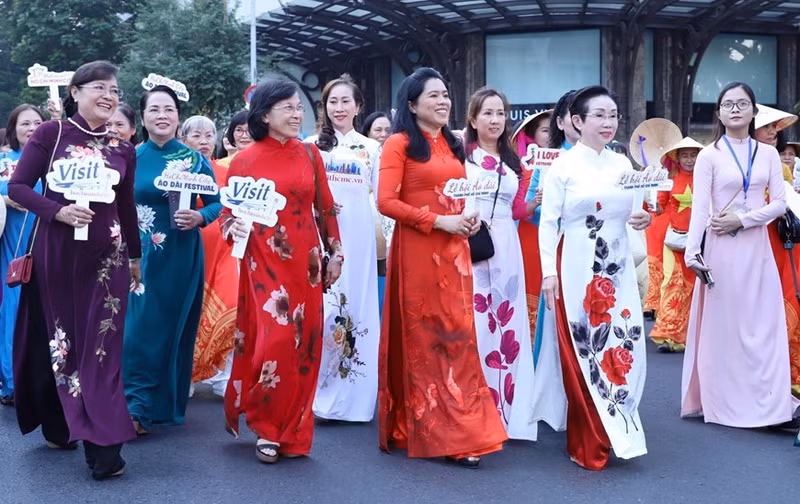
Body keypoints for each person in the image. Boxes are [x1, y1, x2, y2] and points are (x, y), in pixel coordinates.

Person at [9, 60, 140, 480]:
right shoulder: (52, 134)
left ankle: (103, 448)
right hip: (59, 256)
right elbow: (19, 187)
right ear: (75, 92)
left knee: (101, 350)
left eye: (115, 90)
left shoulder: (122, 147)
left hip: (109, 261)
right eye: (99, 87)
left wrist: (135, 256)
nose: (109, 96)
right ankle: (62, 422)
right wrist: (58, 211)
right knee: (63, 343)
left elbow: (125, 207)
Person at [377, 67, 507, 468]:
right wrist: (436, 221)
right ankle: (438, 431)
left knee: (458, 336)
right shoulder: (398, 144)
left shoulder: (454, 144)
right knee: (425, 339)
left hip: (455, 252)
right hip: (418, 251)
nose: (443, 101)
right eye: (433, 95)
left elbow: (457, 195)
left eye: (446, 94)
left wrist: (466, 219)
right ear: (412, 103)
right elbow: (386, 202)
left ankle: (464, 429)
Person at [222, 79, 343, 463]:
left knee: (305, 346)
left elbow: (325, 208)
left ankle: (293, 431)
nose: (297, 114)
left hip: (306, 265)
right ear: (264, 114)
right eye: (288, 107)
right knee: (274, 341)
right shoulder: (244, 160)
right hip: (264, 263)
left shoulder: (310, 155)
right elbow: (229, 215)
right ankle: (267, 425)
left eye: (298, 108)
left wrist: (335, 253)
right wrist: (232, 228)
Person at [539, 85, 651, 470]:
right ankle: (589, 437)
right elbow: (548, 224)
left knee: (624, 345)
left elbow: (638, 213)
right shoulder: (562, 167)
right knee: (584, 348)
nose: (608, 122)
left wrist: (644, 218)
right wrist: (548, 274)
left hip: (616, 270)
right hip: (576, 267)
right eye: (599, 115)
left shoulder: (622, 165)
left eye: (613, 115)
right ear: (577, 121)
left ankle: (618, 424)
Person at [682, 82, 794, 428]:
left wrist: (744, 219)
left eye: (742, 103)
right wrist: (691, 252)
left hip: (756, 248)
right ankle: (726, 402)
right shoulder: (709, 156)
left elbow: (778, 203)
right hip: (720, 249)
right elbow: (700, 209)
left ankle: (768, 402)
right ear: (718, 113)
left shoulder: (769, 155)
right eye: (727, 104)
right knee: (726, 327)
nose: (734, 109)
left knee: (762, 325)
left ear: (753, 111)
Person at [123, 86, 222, 435]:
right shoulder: (130, 157)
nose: (162, 115)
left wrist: (199, 217)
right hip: (140, 255)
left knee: (172, 329)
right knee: (137, 332)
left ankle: (161, 405)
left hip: (181, 255)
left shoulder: (194, 159)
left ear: (178, 117)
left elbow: (216, 203)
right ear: (143, 117)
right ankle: (135, 406)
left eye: (169, 109)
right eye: (154, 109)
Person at [463, 88, 540, 440]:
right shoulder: (461, 157)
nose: (495, 120)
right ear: (473, 118)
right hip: (472, 242)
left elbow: (515, 210)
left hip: (507, 245)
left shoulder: (515, 163)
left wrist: (536, 202)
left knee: (508, 323)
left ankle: (510, 411)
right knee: (477, 323)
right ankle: (475, 410)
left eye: (500, 114)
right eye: (487, 113)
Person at [305, 74, 381, 422]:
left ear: (358, 106)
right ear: (325, 106)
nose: (339, 107)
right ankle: (318, 393)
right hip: (322, 237)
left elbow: (380, 199)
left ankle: (354, 399)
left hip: (361, 237)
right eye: (332, 101)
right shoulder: (310, 146)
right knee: (324, 308)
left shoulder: (371, 148)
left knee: (358, 309)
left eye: (345, 101)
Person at [180, 116, 238, 398]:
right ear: (183, 139)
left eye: (209, 135)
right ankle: (185, 374)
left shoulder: (226, 170)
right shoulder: (175, 169)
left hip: (225, 248)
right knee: (190, 309)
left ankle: (221, 373)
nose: (204, 141)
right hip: (190, 246)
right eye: (196, 136)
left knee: (229, 306)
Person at [752, 105, 800, 401]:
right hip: (756, 239)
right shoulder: (735, 162)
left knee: (789, 299)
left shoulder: (781, 167)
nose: (773, 133)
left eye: (776, 128)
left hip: (784, 241)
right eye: (767, 126)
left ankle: (791, 373)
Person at [0, 104, 45, 406]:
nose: (31, 128)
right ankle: (11, 382)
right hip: (13, 248)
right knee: (12, 311)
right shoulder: (4, 161)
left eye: (37, 122)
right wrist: (3, 196)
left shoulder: (56, 161)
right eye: (25, 123)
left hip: (48, 245)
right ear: (13, 128)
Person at [648, 137, 704, 352]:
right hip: (674, 241)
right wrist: (649, 193)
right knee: (671, 285)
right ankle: (667, 333)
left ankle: (690, 335)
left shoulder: (708, 179)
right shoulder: (669, 180)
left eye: (693, 155)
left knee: (694, 289)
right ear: (677, 158)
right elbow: (658, 208)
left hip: (699, 242)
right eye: (685, 155)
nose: (689, 160)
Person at [511, 109, 551, 351]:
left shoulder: (567, 163)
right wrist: (534, 202)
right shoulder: (522, 167)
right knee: (533, 285)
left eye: (552, 130)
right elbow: (516, 209)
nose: (550, 135)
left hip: (559, 237)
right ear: (532, 135)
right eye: (545, 131)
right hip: (529, 236)